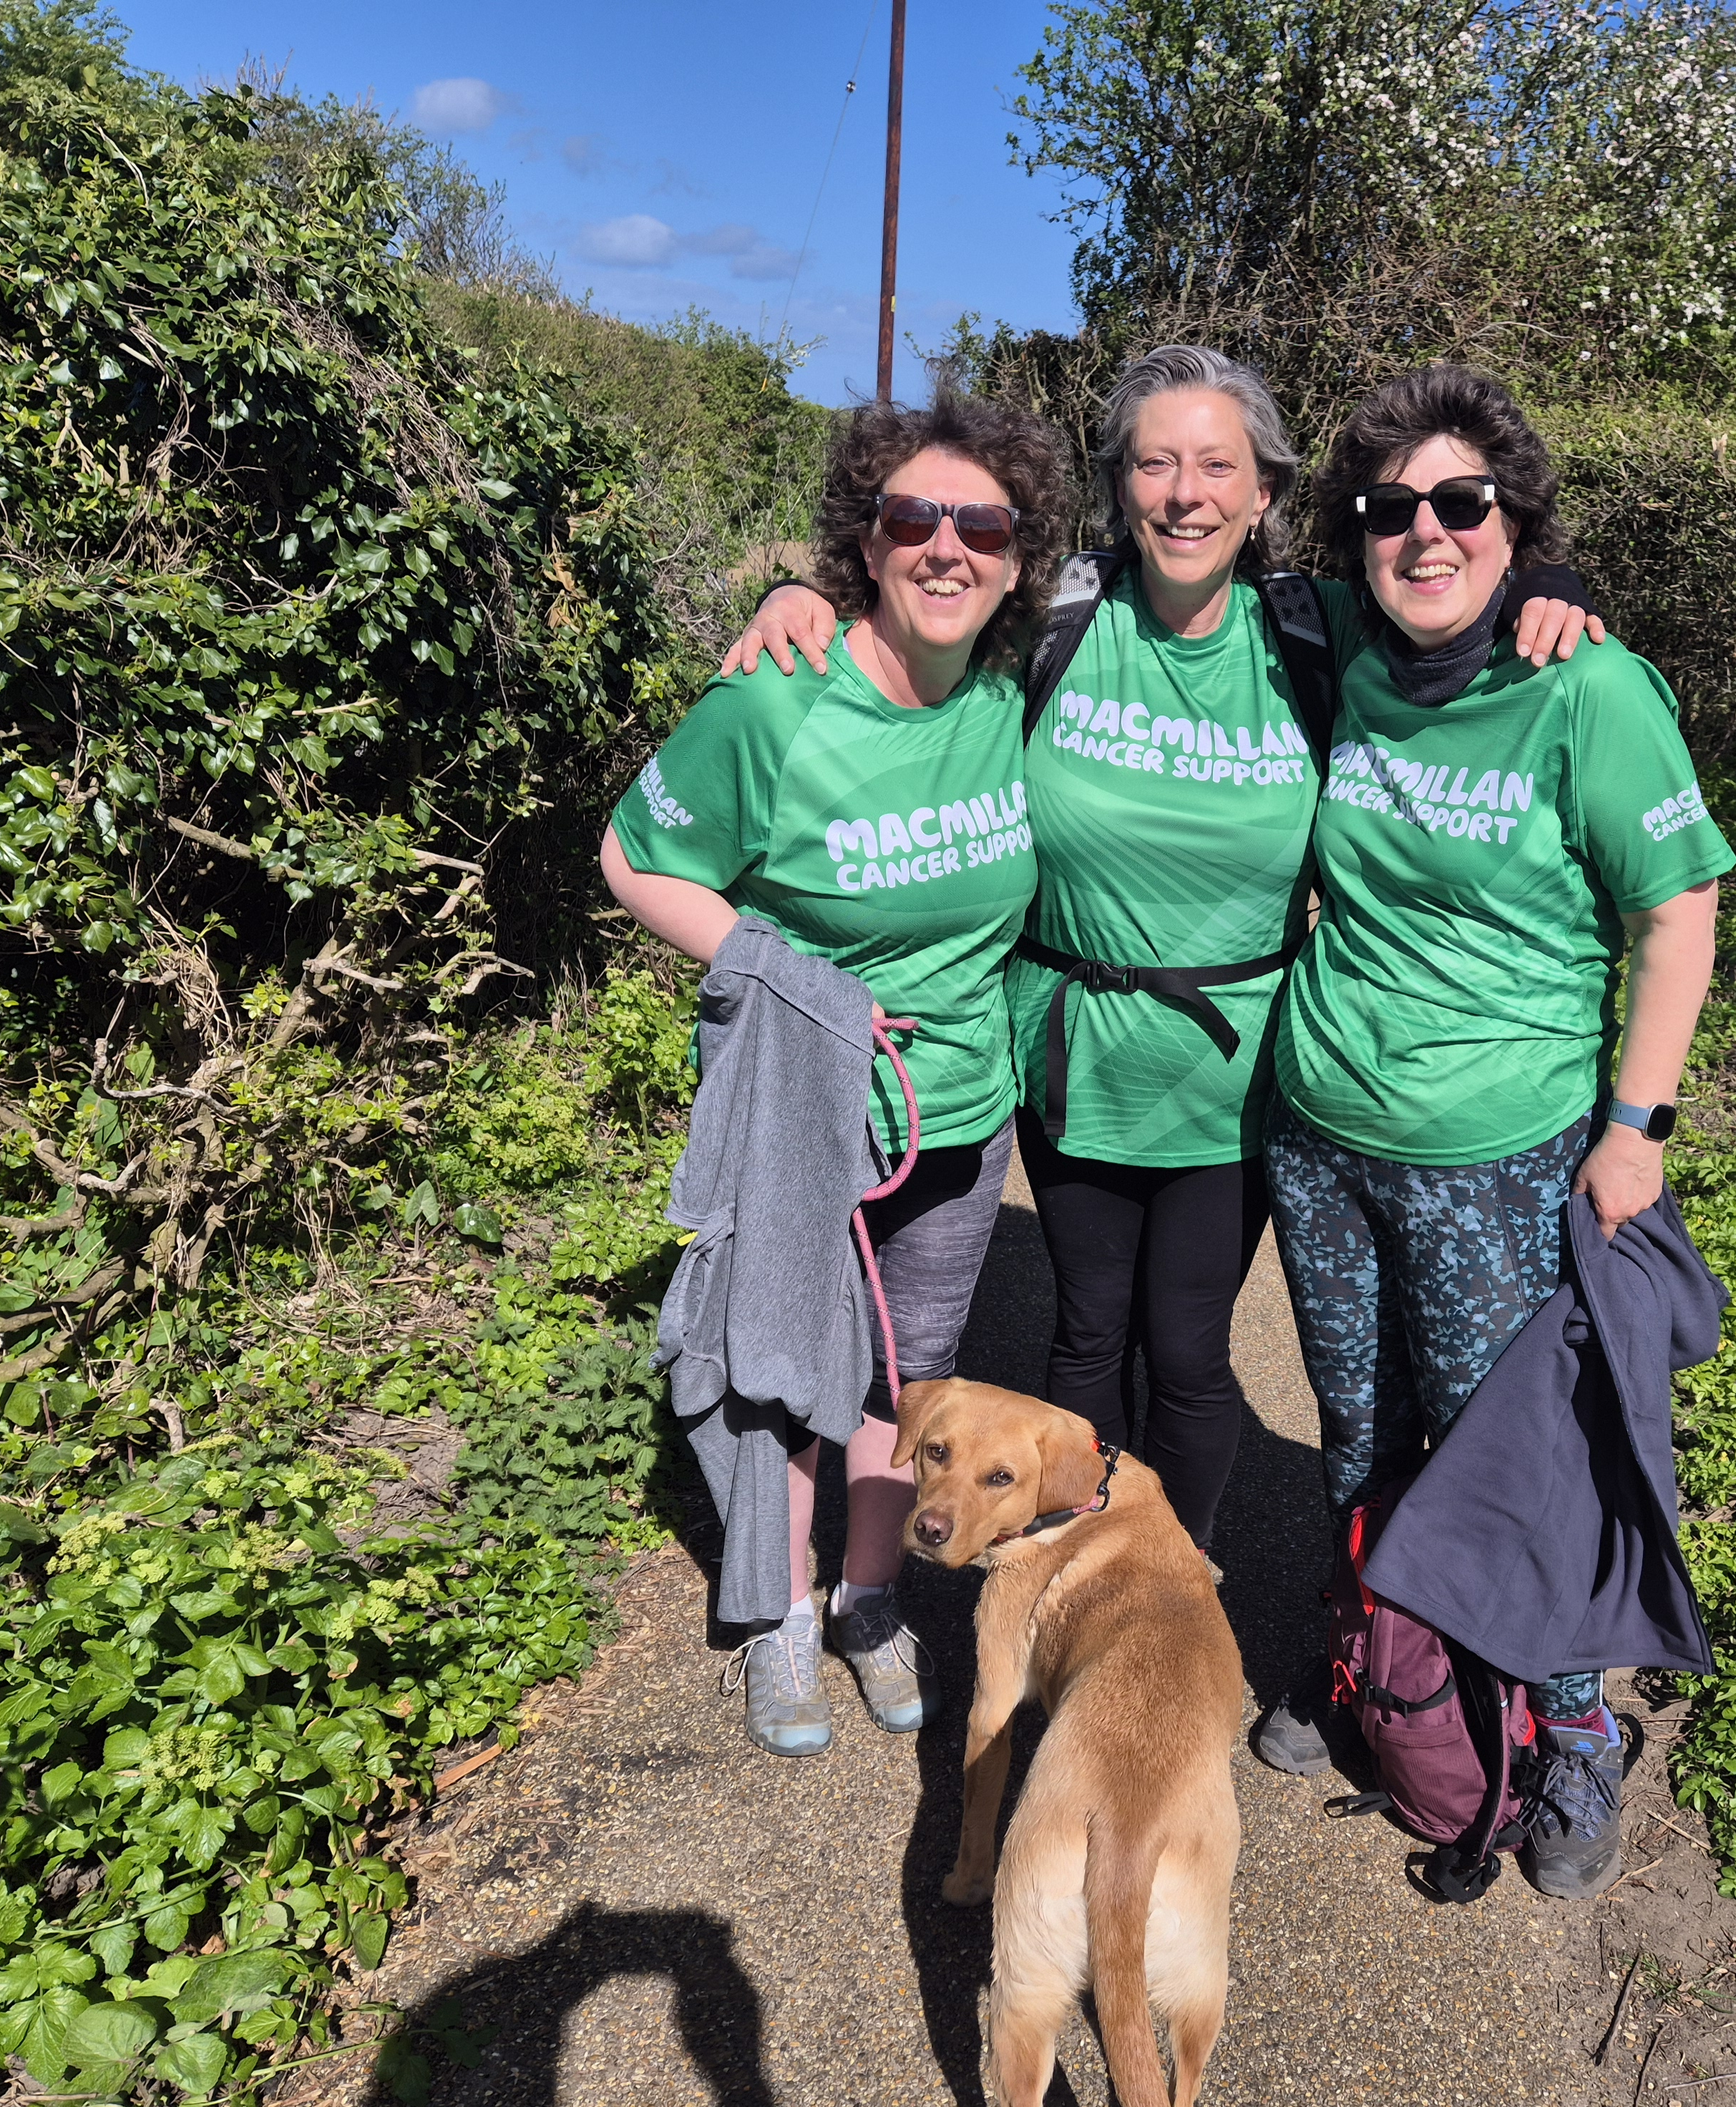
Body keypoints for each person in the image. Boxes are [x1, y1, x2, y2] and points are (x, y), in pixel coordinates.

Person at [724, 347, 1604, 1558]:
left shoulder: (1317, 629)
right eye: (1155, 462)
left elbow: (1447, 580)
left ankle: (1165, 1586)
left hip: (1234, 1065)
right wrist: (804, 599)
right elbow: (925, 601)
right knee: (1086, 1332)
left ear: (1266, 497)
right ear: (1119, 486)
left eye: (1216, 466)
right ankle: (1065, 1581)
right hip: (1074, 1043)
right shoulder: (1060, 615)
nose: (1185, 492)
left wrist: (1550, 574)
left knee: (1189, 1352)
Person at [1254, 364, 1735, 1900]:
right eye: (1388, 509)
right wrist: (810, 595)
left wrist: (1636, 1124)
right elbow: (1156, 573)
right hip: (1320, 1133)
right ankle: (1375, 1662)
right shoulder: (1337, 649)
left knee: (1516, 1458)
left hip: (1501, 1152)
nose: (1421, 533)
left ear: (1513, 525)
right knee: (1359, 1429)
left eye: (1460, 504)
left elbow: (1677, 911)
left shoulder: (1584, 686)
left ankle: (1576, 1730)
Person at [600, 388, 1068, 1757]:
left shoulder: (1009, 688)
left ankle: (869, 1602)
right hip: (809, 1116)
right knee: (783, 1376)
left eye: (982, 524)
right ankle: (780, 1618)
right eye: (912, 517)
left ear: (1019, 557)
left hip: (963, 1116)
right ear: (865, 542)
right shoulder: (776, 700)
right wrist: (795, 982)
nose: (947, 547)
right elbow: (637, 860)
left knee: (902, 1383)